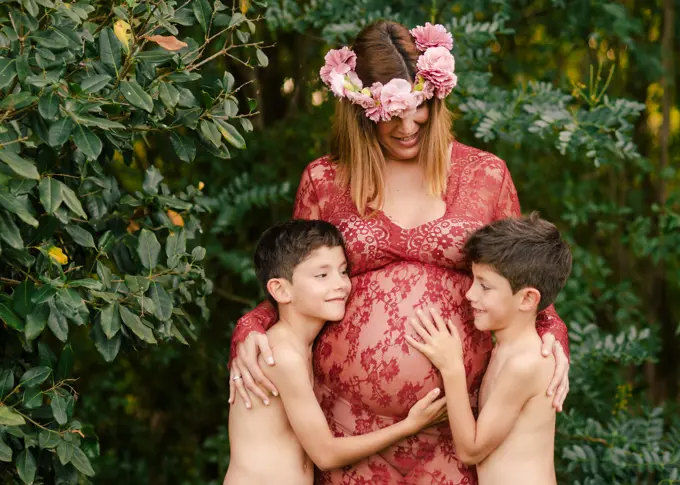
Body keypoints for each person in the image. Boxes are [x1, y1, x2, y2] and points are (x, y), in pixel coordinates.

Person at [229, 20, 572, 485]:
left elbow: (525, 281)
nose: (408, 126)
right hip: (346, 427)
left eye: (420, 109)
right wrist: (250, 329)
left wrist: (554, 342)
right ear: (360, 109)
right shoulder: (325, 181)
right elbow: (292, 282)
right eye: (392, 113)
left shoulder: (486, 174)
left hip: (456, 426)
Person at [225, 220, 448, 485]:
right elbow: (325, 454)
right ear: (281, 290)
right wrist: (410, 426)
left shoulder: (301, 344)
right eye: (322, 275)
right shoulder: (281, 355)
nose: (341, 284)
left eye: (343, 271)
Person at [406, 214, 572, 485]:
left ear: (528, 298)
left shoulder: (526, 363)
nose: (471, 294)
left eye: (485, 286)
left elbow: (471, 450)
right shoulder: (504, 349)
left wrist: (452, 367)